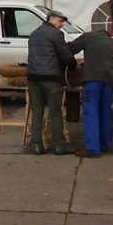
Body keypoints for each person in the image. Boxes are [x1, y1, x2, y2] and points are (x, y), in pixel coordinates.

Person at [26, 9, 78, 156]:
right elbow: (65, 55)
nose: (62, 25)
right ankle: (59, 146)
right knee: (55, 112)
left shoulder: (34, 34)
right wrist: (73, 64)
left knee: (37, 112)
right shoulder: (56, 34)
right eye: (60, 21)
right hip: (51, 78)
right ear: (51, 19)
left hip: (33, 77)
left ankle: (36, 145)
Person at [69, 30, 113, 158]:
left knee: (90, 113)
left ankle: (92, 148)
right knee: (105, 112)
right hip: (109, 80)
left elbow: (70, 48)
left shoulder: (89, 36)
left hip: (93, 79)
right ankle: (104, 144)